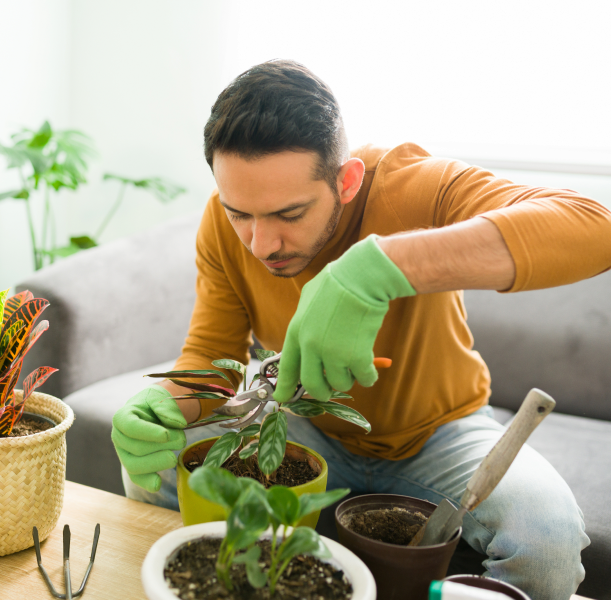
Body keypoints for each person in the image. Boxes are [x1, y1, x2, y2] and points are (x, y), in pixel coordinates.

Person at [111, 60, 611, 599]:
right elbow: (210, 354)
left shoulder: (413, 187)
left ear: (346, 181)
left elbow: (592, 227)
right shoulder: (219, 224)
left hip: (442, 435)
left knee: (547, 541)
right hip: (306, 428)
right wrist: (165, 406)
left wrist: (376, 269)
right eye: (240, 215)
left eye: (290, 213)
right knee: (158, 470)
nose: (261, 245)